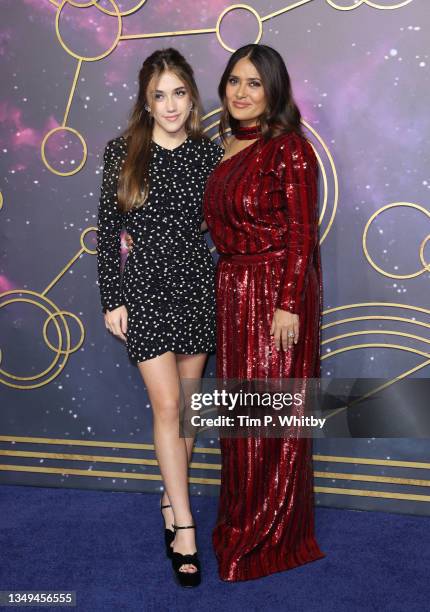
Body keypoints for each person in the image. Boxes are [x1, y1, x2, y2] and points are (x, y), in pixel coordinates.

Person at [96, 47, 223, 588]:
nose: (170, 105)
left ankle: (172, 505)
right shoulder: (122, 151)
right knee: (167, 404)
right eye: (158, 95)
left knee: (188, 411)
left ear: (191, 96)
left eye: (178, 93)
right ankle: (187, 526)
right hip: (145, 288)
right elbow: (106, 232)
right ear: (145, 102)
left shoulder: (208, 153)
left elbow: (226, 221)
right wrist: (112, 298)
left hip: (196, 283)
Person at [203, 44, 326, 581]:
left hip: (278, 291)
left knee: (273, 419)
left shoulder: (290, 150)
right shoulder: (224, 146)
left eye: (254, 83)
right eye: (234, 81)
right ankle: (240, 521)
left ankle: (272, 535)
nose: (241, 93)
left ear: (274, 89)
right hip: (232, 288)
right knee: (240, 416)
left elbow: (302, 232)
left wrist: (289, 302)